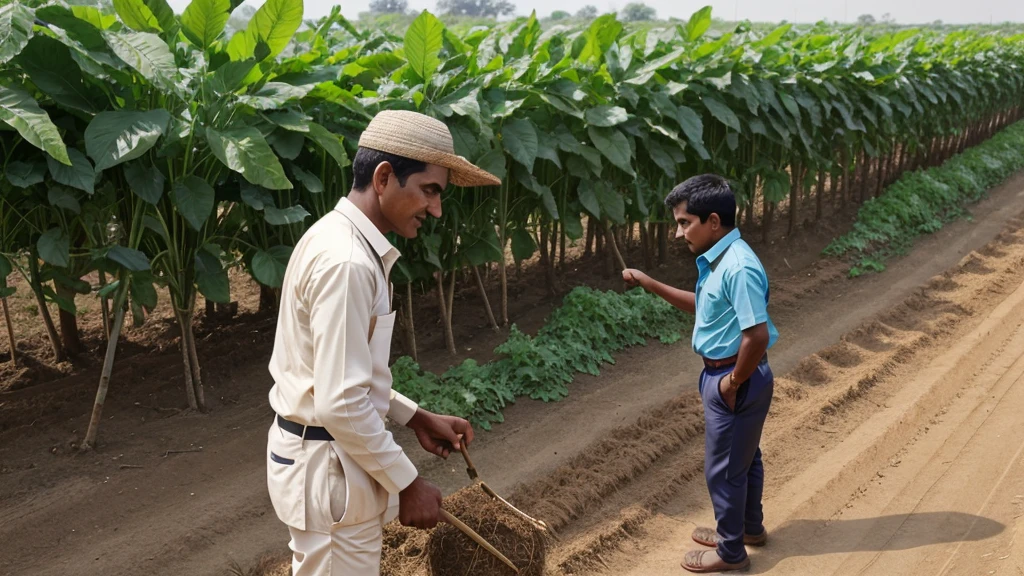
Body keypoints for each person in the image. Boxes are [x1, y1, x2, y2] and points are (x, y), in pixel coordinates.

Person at [265, 110, 501, 575]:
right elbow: (339, 401)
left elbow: (336, 373)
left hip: (324, 461)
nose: (435, 209)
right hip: (331, 470)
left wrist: (412, 415)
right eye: (429, 190)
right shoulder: (348, 263)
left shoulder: (337, 240)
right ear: (384, 177)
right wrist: (408, 482)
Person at [623, 174, 779, 573]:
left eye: (683, 223)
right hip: (733, 375)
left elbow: (756, 335)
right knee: (745, 460)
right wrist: (649, 283)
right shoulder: (720, 260)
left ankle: (731, 552)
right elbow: (705, 308)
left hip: (734, 377)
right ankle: (747, 529)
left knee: (724, 468)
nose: (678, 233)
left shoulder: (738, 266)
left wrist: (732, 383)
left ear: (712, 221)